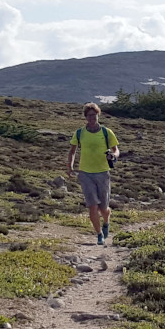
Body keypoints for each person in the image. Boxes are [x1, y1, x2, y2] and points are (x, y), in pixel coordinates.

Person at [67, 103, 119, 245]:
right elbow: (72, 151)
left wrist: (113, 156)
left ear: (98, 115)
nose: (91, 118)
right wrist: (70, 167)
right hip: (85, 174)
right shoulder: (79, 133)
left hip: (103, 173)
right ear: (85, 117)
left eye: (94, 115)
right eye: (89, 115)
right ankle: (99, 234)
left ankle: (106, 222)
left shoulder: (106, 132)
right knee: (92, 206)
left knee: (104, 208)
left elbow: (116, 150)